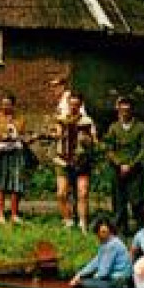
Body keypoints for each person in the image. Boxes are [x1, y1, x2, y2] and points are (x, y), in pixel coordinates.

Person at [102, 96, 144, 234]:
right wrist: (119, 164)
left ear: (132, 111)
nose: (124, 113)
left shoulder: (141, 128)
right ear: (118, 111)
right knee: (118, 201)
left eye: (127, 110)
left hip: (135, 170)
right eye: (122, 110)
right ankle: (120, 229)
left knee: (137, 201)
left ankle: (142, 229)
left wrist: (131, 164)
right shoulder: (113, 128)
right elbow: (109, 149)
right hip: (117, 170)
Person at [0, 94, 28, 224]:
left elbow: (20, 132)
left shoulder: (20, 118)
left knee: (16, 182)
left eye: (8, 104)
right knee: (0, 182)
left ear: (13, 105)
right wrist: (1, 134)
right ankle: (0, 214)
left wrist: (12, 126)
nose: (5, 106)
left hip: (16, 152)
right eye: (3, 104)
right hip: (1, 152)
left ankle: (14, 214)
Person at [53, 92, 96, 229]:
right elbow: (54, 134)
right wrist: (56, 134)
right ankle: (68, 220)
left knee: (82, 193)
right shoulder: (61, 119)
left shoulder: (87, 121)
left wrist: (87, 140)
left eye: (76, 105)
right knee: (61, 193)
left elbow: (95, 141)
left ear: (80, 105)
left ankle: (83, 223)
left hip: (81, 161)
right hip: (63, 160)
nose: (73, 107)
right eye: (71, 104)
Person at [68, 217, 131, 288]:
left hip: (118, 283)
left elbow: (103, 272)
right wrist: (80, 274)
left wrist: (84, 279)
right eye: (101, 232)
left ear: (110, 231)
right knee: (82, 277)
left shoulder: (112, 245)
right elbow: (95, 262)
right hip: (112, 279)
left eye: (105, 232)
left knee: (82, 283)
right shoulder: (105, 244)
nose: (103, 234)